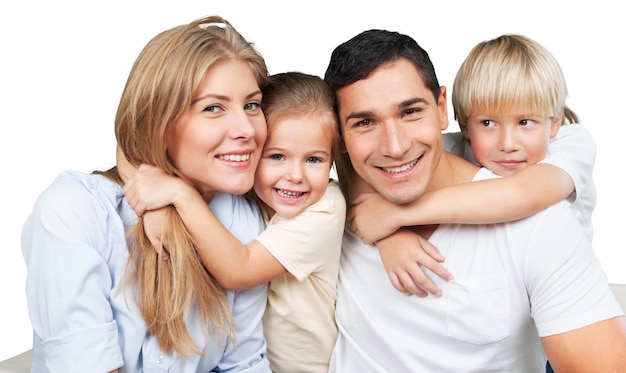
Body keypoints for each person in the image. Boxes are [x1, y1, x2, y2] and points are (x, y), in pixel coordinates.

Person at [324, 28, 626, 372]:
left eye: (410, 112)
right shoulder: (332, 207)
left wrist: (394, 216)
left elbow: (521, 194)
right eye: (365, 122)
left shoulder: (543, 219)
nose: (395, 147)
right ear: (339, 136)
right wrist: (387, 231)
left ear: (441, 108)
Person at [21, 15, 272, 372]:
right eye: (213, 108)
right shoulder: (73, 210)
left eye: (252, 104)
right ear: (159, 121)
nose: (247, 128)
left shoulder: (243, 221)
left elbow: (242, 364)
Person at [123, 72, 346, 373]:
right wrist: (152, 206)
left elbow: (239, 271)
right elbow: (128, 146)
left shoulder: (324, 209)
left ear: (333, 160)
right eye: (277, 156)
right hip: (236, 361)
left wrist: (179, 195)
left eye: (314, 160)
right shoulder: (242, 187)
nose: (295, 175)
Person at [346, 34, 597, 297]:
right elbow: (368, 166)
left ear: (554, 122)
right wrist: (390, 237)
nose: (507, 143)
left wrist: (396, 216)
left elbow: (520, 194)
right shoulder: (451, 147)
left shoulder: (571, 144)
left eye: (525, 122)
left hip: (568, 288)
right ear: (465, 125)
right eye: (487, 123)